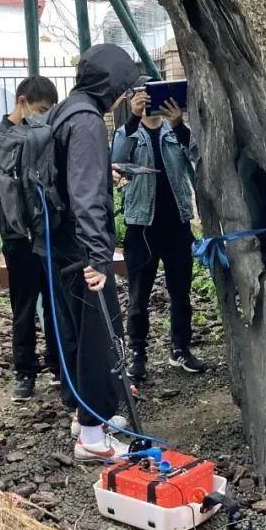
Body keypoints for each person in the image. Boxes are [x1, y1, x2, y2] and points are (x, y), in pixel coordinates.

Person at [46, 43, 140, 462]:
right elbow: (85, 196)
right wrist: (100, 258)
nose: (123, 96)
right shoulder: (86, 121)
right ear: (112, 85)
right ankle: (91, 435)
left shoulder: (65, 110)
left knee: (77, 333)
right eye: (122, 87)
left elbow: (73, 178)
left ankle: (90, 417)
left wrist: (105, 170)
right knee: (96, 337)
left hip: (61, 243)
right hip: (83, 251)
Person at [0, 75, 61, 400]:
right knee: (23, 306)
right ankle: (25, 371)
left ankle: (57, 364)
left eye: (48, 111)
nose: (43, 116)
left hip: (48, 232)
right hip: (17, 237)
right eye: (40, 109)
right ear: (21, 102)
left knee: (53, 302)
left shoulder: (45, 135)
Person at [111, 91, 204, 382]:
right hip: (141, 226)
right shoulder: (127, 132)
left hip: (177, 223)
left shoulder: (173, 132)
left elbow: (196, 159)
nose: (149, 102)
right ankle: (137, 354)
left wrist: (178, 124)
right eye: (142, 97)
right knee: (138, 296)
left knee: (181, 293)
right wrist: (133, 118)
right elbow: (116, 160)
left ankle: (180, 349)